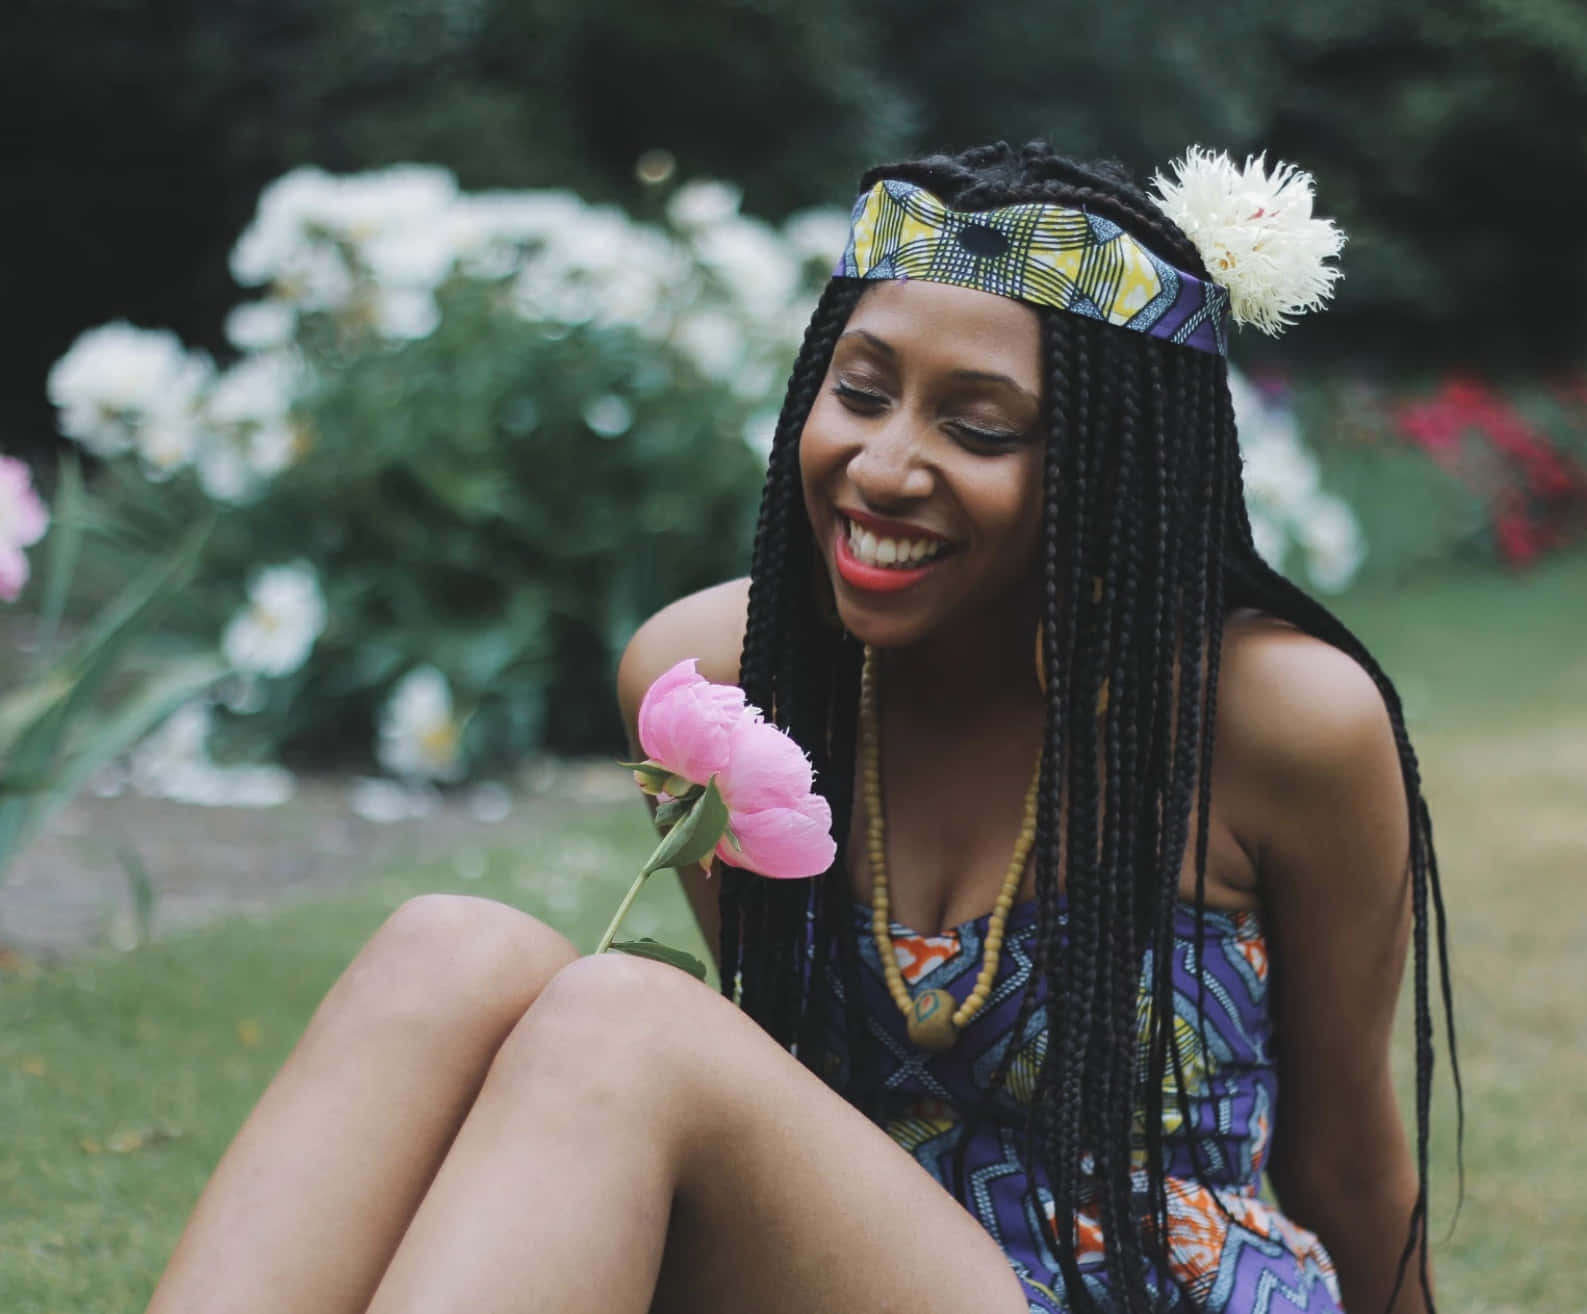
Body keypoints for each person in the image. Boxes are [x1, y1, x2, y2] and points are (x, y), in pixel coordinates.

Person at [145, 141, 1456, 1314]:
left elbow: (1344, 1155)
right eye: (862, 390)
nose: (884, 465)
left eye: (976, 424)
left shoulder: (1275, 718)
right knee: (450, 945)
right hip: (852, 1266)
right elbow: (769, 1084)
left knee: (621, 1020)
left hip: (1140, 1287)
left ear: (1109, 472)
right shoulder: (718, 674)